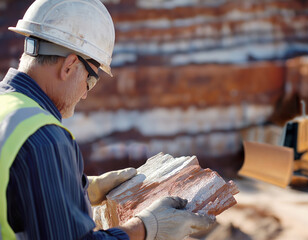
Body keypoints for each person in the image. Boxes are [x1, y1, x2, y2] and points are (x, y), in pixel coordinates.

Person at [0, 0, 214, 239]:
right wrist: (146, 227)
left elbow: (13, 185)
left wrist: (84, 188)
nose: (84, 93)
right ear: (69, 66)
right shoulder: (44, 139)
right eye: (91, 80)